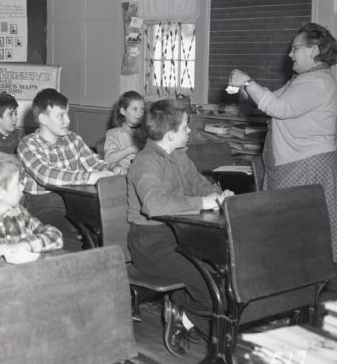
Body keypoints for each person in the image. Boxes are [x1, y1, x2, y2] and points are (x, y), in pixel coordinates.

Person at [126, 99, 234, 357]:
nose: (190, 132)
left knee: (228, 278)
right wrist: (201, 203)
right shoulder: (146, 162)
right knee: (212, 291)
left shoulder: (179, 156)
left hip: (184, 235)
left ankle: (200, 325)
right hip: (151, 243)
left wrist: (219, 195)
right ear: (171, 134)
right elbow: (154, 204)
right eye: (186, 127)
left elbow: (200, 185)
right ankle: (181, 308)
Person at [229, 22, 337, 261]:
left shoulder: (318, 82)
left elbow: (279, 107)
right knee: (288, 235)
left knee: (301, 238)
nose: (289, 54)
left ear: (314, 50)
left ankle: (309, 290)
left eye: (295, 48)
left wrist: (247, 82)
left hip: (306, 167)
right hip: (293, 165)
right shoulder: (304, 80)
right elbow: (271, 100)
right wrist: (248, 92)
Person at [17, 88, 124, 251]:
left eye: (67, 114)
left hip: (76, 201)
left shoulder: (72, 139)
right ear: (43, 119)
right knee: (68, 243)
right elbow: (46, 175)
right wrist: (89, 177)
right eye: (61, 115)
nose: (67, 120)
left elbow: (94, 163)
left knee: (115, 229)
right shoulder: (28, 144)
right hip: (44, 205)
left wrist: (113, 168)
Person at [0, 150, 63, 260]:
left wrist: (25, 245)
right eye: (17, 184)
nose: (22, 186)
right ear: (1, 194)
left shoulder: (20, 213)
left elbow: (56, 237)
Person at [104, 91, 146, 168]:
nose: (140, 113)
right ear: (123, 111)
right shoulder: (113, 134)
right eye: (135, 109)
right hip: (125, 173)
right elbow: (107, 159)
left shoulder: (146, 131)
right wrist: (130, 150)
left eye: (142, 109)